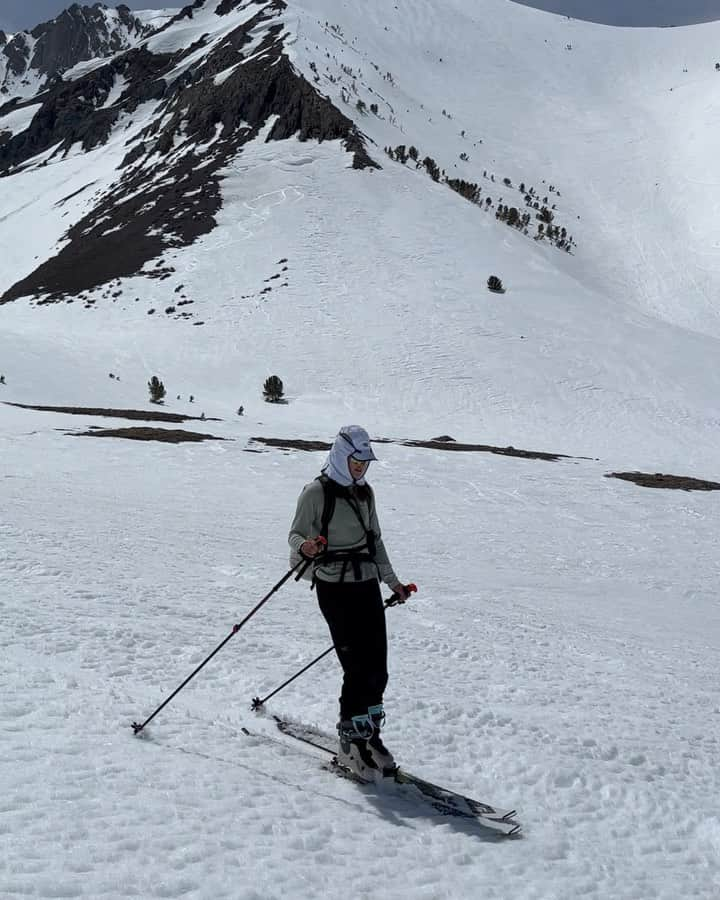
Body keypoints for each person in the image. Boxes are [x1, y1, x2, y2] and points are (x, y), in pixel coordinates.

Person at [288, 425, 410, 780]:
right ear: (342, 456)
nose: (361, 468)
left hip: (366, 584)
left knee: (378, 666)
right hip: (334, 589)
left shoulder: (365, 495)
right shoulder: (315, 492)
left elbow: (377, 543)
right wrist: (305, 546)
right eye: (356, 461)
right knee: (355, 666)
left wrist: (394, 583)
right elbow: (295, 533)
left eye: (365, 462)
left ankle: (370, 736)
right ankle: (349, 740)